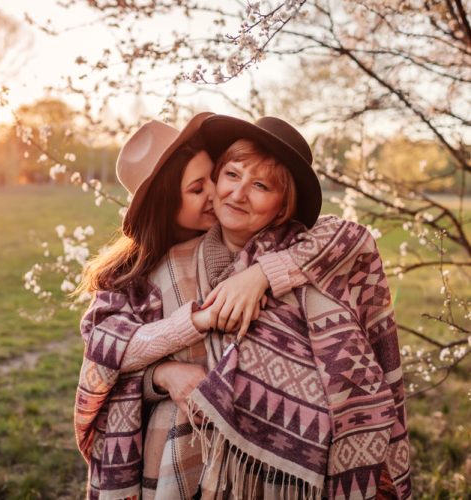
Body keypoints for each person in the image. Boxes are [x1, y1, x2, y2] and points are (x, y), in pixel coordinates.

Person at [75, 114, 411, 499]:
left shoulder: (293, 253)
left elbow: (351, 236)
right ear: (168, 202)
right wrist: (165, 370)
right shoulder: (143, 275)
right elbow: (109, 357)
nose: (227, 194)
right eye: (200, 187)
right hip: (182, 456)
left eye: (260, 185)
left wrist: (260, 274)